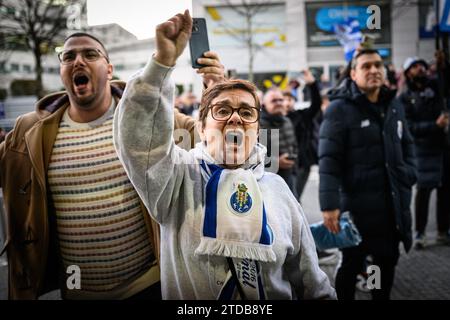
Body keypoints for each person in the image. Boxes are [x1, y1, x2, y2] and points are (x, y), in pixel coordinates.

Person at [113, 10, 336, 300]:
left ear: (257, 130)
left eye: (246, 112)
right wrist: (161, 64)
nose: (235, 119)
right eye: (222, 111)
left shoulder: (278, 189)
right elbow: (139, 137)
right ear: (201, 128)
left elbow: (310, 281)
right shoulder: (177, 178)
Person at [0, 32, 224, 299]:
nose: (78, 61)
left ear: (109, 69)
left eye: (90, 54)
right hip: (76, 289)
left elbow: (213, 145)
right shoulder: (30, 132)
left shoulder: (150, 117)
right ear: (62, 72)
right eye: (68, 56)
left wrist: (216, 90)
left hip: (149, 283)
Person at [319, 48, 417, 300]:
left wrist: (409, 172)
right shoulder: (339, 109)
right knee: (352, 264)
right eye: (365, 66)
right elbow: (329, 161)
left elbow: (406, 142)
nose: (373, 70)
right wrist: (329, 206)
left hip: (391, 206)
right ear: (353, 74)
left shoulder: (393, 104)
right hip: (355, 209)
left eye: (378, 65)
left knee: (386, 262)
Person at [399, 56, 450, 247]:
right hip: (422, 150)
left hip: (443, 148)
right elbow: (409, 127)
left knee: (445, 191)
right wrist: (434, 125)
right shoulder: (404, 98)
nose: (419, 69)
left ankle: (443, 230)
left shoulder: (436, 88)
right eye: (414, 66)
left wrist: (445, 66)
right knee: (424, 193)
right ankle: (419, 233)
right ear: (407, 72)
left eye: (422, 65)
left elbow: (446, 81)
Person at [285, 69, 322, 199]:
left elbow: (316, 104)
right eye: (284, 99)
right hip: (282, 166)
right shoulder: (272, 122)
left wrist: (312, 84)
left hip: (301, 165)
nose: (287, 102)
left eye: (290, 99)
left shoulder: (302, 116)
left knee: (295, 198)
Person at [259, 89, 298, 196]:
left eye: (281, 100)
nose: (279, 103)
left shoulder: (287, 121)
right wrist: (276, 162)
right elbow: (253, 157)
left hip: (289, 176)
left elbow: (294, 145)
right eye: (274, 101)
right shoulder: (259, 126)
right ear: (264, 104)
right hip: (267, 182)